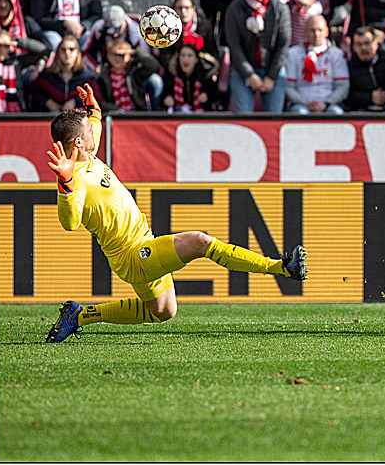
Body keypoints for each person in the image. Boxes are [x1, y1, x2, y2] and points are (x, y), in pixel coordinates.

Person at [44, 85, 307, 343]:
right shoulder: (76, 178)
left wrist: (94, 113)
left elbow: (94, 128)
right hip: (133, 255)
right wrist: (64, 184)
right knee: (199, 241)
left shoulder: (86, 153)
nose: (94, 130)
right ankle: (281, 267)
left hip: (142, 243)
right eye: (88, 130)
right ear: (78, 142)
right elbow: (70, 223)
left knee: (163, 311)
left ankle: (79, 316)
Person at [224, 0, 291, 113]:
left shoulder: (280, 9)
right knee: (243, 116)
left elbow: (283, 44)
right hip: (243, 69)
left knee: (274, 118)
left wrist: (271, 76)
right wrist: (249, 74)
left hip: (273, 69)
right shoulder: (235, 8)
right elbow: (234, 45)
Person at [284, 13, 349, 114]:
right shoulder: (293, 53)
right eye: (312, 30)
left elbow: (343, 86)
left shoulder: (337, 54)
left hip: (329, 104)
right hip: (301, 104)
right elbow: (288, 86)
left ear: (327, 31)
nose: (316, 34)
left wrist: (326, 103)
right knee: (300, 113)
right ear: (305, 32)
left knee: (336, 113)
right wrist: (304, 103)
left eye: (320, 30)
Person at [29, 35, 100, 112]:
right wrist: (47, 102)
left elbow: (95, 98)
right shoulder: (46, 76)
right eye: (63, 50)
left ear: (77, 52)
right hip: (51, 116)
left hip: (79, 115)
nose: (67, 53)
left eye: (71, 49)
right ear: (58, 52)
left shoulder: (88, 78)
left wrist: (76, 101)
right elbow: (35, 93)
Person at [345, 24, 385, 112]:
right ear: (354, 47)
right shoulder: (350, 66)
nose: (363, 48)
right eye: (359, 44)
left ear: (375, 44)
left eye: (367, 43)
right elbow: (348, 97)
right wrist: (370, 97)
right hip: (363, 110)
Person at [95, 38, 161, 112]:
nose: (117, 58)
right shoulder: (103, 75)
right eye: (114, 54)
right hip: (116, 114)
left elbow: (154, 65)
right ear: (108, 56)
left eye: (121, 55)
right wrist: (117, 110)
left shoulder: (134, 71)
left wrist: (134, 51)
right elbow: (101, 102)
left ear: (129, 56)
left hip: (136, 113)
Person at [81, 2, 151, 70]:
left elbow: (145, 58)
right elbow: (85, 51)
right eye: (110, 31)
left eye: (117, 29)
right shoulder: (99, 27)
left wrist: (128, 54)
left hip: (129, 70)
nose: (115, 35)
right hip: (104, 68)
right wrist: (95, 67)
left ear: (124, 21)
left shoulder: (135, 31)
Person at [157, 0, 218, 68]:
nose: (183, 11)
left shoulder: (204, 25)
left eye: (187, 8)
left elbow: (212, 50)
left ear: (193, 9)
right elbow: (165, 55)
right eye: (180, 8)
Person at [161, 36, 220, 113]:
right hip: (178, 114)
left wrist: (207, 97)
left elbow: (215, 97)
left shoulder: (206, 76)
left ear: (196, 59)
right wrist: (167, 99)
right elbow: (164, 95)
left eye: (189, 56)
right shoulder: (171, 75)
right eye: (183, 55)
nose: (185, 59)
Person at [0, 26, 47, 112]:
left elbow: (41, 50)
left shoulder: (16, 61)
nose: (2, 49)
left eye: (5, 46)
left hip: (16, 109)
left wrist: (16, 42)